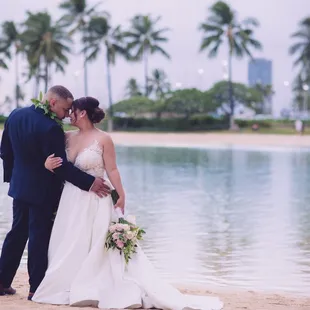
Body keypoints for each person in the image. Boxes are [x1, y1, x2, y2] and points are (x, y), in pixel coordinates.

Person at [32, 96, 224, 310]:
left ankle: (95, 285)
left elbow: (112, 169)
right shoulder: (66, 136)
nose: (69, 114)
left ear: (83, 113)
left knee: (95, 241)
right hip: (70, 198)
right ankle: (66, 282)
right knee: (68, 242)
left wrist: (121, 194)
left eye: (72, 110)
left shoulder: (103, 139)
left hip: (97, 198)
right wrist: (46, 165)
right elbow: (56, 164)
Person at [0, 86, 111, 300]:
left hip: (19, 188)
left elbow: (5, 152)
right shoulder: (51, 128)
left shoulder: (15, 115)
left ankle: (3, 282)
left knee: (16, 233)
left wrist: (14, 179)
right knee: (39, 237)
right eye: (65, 108)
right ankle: (36, 288)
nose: (67, 114)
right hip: (42, 190)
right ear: (53, 103)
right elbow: (60, 166)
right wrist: (90, 183)